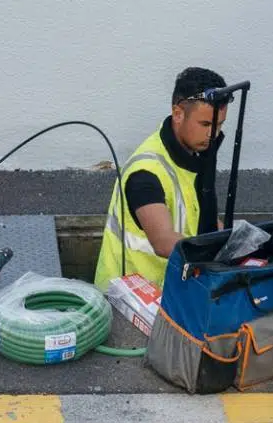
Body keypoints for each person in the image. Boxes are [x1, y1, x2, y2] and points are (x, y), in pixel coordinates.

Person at [93, 67, 230, 290]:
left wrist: (238, 243)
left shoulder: (193, 157)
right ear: (178, 114)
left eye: (220, 125)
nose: (212, 134)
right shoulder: (145, 174)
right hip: (127, 298)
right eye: (205, 124)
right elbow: (163, 241)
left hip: (170, 291)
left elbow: (200, 220)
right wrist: (217, 255)